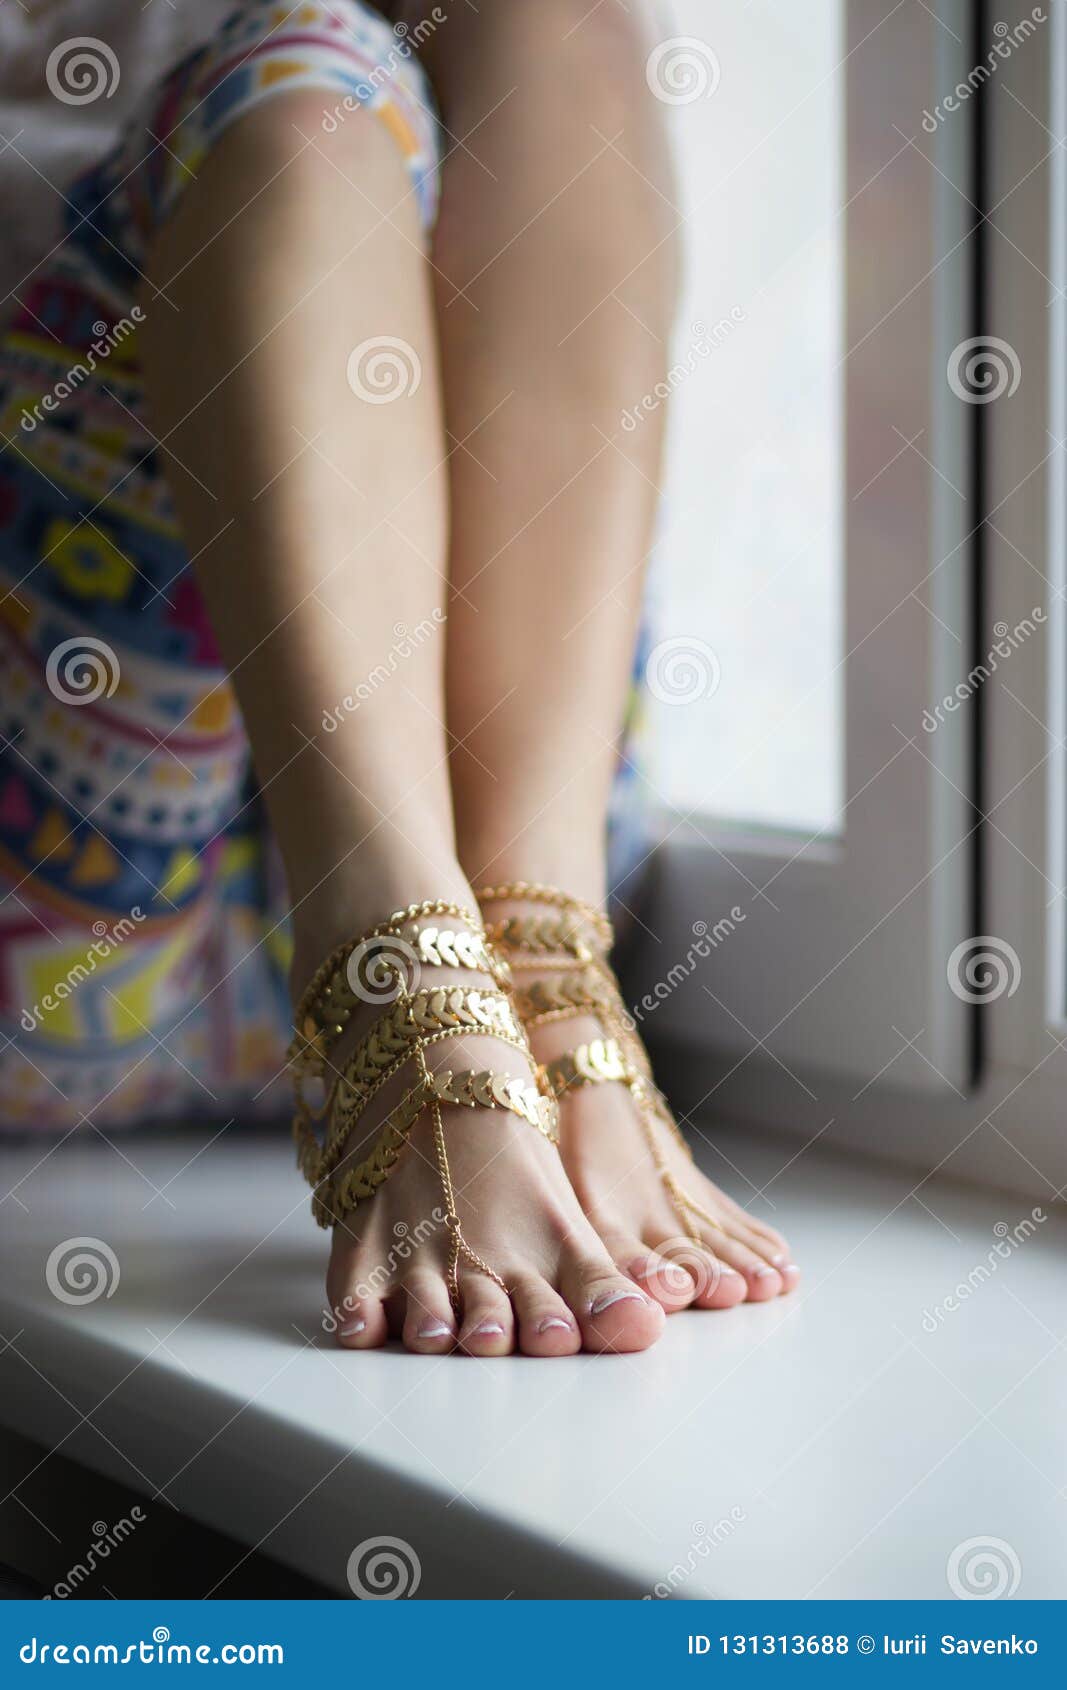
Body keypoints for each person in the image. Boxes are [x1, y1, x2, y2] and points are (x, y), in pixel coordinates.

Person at [0, 0, 797, 1356]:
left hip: (492, 859)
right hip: (68, 920)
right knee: (304, 89)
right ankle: (404, 1000)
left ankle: (538, 977)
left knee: (554, 23)